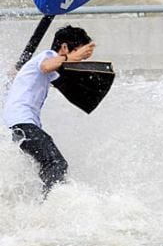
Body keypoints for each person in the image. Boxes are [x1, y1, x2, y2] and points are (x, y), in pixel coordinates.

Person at [3, 25, 95, 197]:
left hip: (15, 126)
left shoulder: (39, 66)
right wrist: (71, 57)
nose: (79, 60)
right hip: (22, 123)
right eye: (80, 54)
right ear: (65, 48)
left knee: (44, 165)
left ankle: (36, 202)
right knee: (56, 163)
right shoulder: (49, 55)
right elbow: (46, 66)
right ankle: (51, 205)